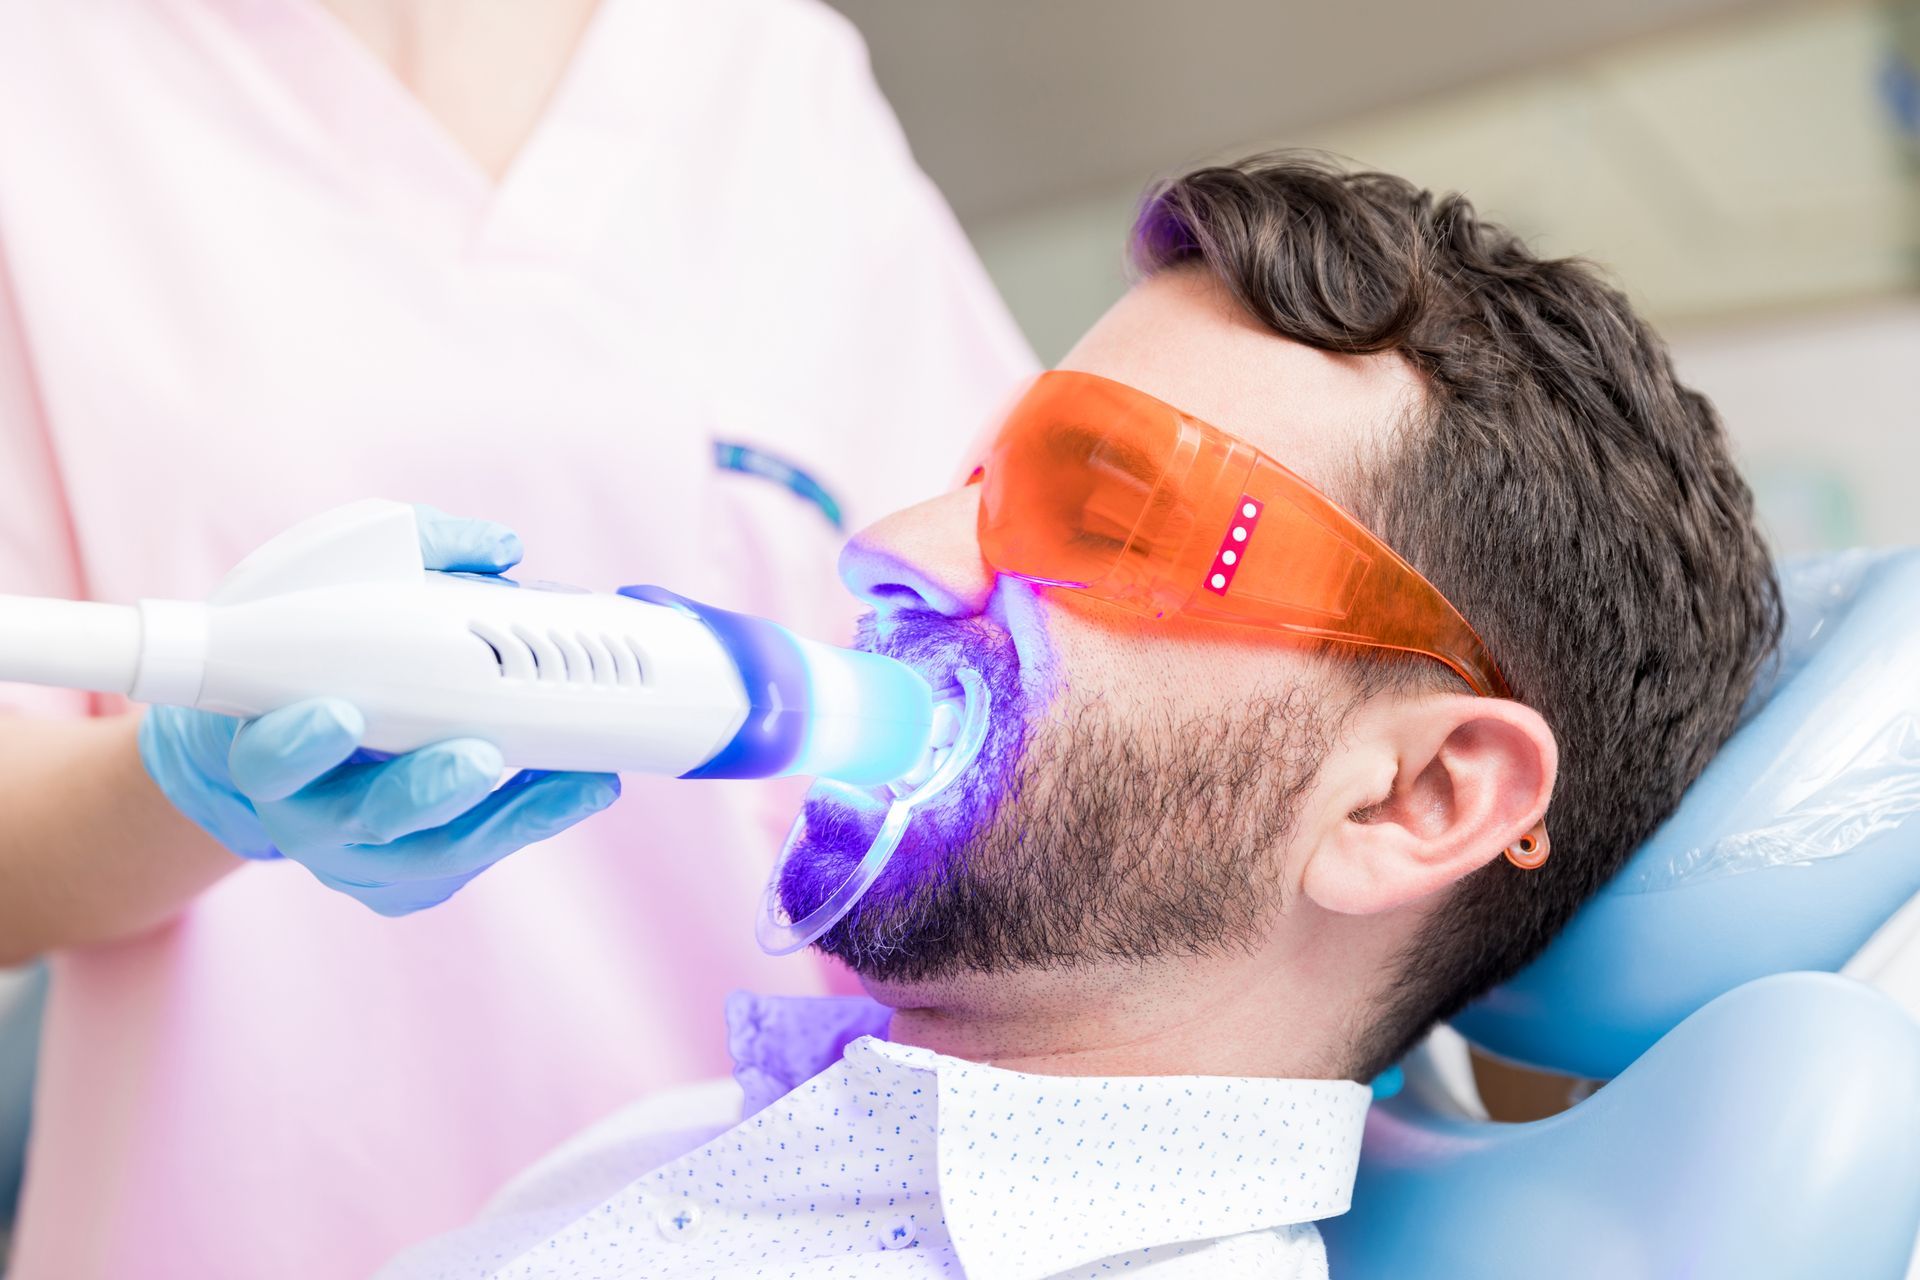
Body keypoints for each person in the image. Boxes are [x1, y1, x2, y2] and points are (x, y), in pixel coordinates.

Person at [377, 153, 1783, 1278]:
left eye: (1101, 508)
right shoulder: (670, 1148)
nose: (890, 545)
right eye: (972, 477)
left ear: (1410, 799)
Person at [0, 1, 1033, 1275]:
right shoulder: (42, 84)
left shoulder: (761, 66)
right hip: (247, 1215)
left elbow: (1028, 661)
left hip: (764, 1215)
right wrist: (188, 785)